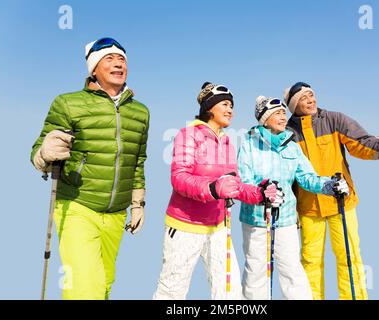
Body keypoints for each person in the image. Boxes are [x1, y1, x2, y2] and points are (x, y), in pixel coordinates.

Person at [30, 37, 150, 299]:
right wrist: (45, 153)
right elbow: (38, 152)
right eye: (109, 58)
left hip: (116, 213)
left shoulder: (140, 112)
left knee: (105, 284)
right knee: (85, 288)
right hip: (77, 206)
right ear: (93, 69)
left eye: (122, 60)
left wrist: (138, 202)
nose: (118, 64)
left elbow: (138, 159)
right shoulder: (68, 103)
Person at [283, 82, 379, 300]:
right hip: (308, 207)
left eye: (312, 95)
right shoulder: (287, 132)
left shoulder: (335, 120)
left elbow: (362, 143)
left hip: (341, 202)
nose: (311, 100)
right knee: (310, 260)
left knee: (349, 256)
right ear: (294, 105)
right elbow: (284, 170)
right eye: (304, 97)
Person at [153, 83, 283, 300]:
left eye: (232, 105)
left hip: (218, 226)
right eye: (224, 104)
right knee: (172, 290)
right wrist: (212, 188)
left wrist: (260, 194)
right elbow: (180, 178)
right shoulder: (188, 135)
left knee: (229, 291)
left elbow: (234, 186)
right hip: (186, 225)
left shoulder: (226, 141)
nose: (230, 109)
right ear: (209, 108)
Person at [238, 96, 350, 300]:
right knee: (256, 271)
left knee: (292, 272)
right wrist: (262, 191)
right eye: (277, 113)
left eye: (283, 112)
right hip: (256, 220)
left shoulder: (291, 146)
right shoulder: (249, 144)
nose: (283, 117)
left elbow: (307, 177)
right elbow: (243, 179)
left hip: (286, 220)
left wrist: (329, 185)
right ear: (265, 118)